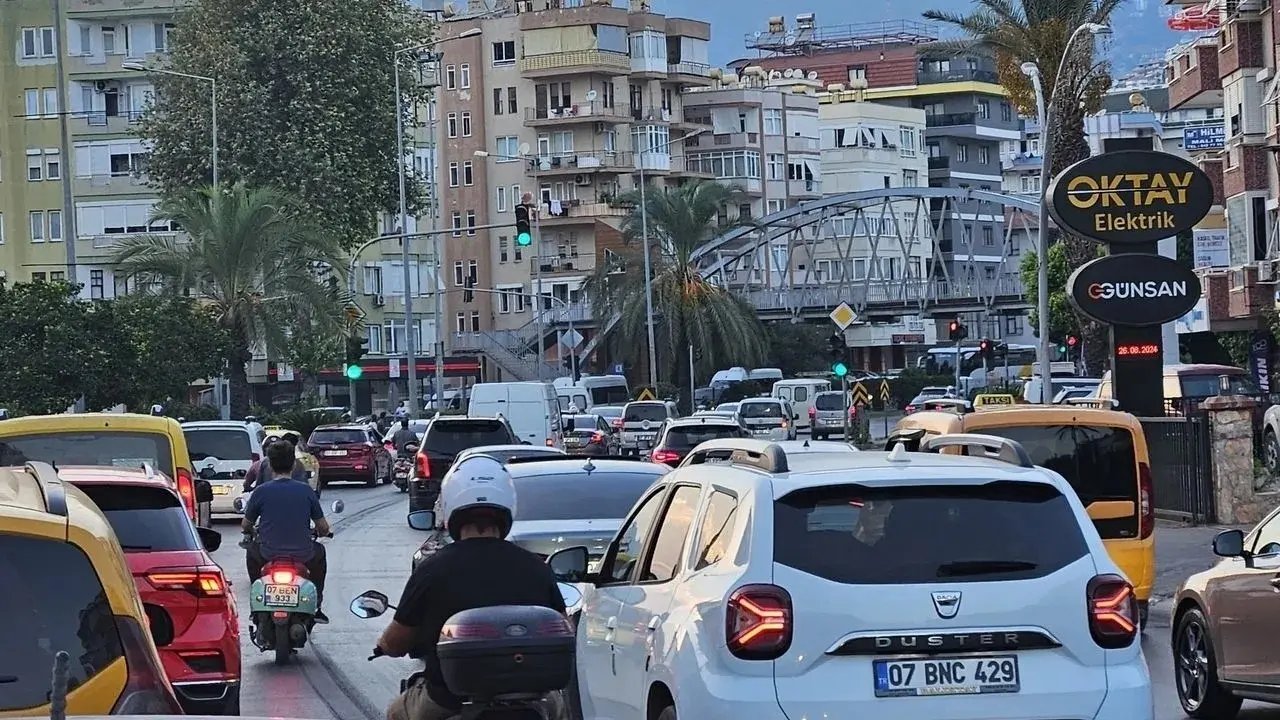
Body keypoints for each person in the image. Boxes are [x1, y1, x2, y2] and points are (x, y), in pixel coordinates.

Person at [377, 455, 566, 720]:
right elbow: (563, 628)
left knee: (396, 713)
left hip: (447, 700)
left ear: (451, 503)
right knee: (559, 708)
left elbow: (397, 642)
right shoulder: (536, 567)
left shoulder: (432, 569)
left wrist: (383, 646)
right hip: (533, 698)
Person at [242, 440, 331, 623]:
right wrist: (322, 533)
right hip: (304, 555)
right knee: (320, 553)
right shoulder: (306, 491)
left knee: (251, 552)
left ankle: (256, 606)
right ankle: (317, 604)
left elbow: (245, 525)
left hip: (268, 554)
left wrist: (251, 530)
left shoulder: (261, 491)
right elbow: (323, 527)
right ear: (293, 463)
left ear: (270, 464)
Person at [242, 434, 309, 492]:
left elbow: (253, 485)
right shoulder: (305, 490)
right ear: (293, 465)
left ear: (270, 464)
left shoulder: (261, 492)